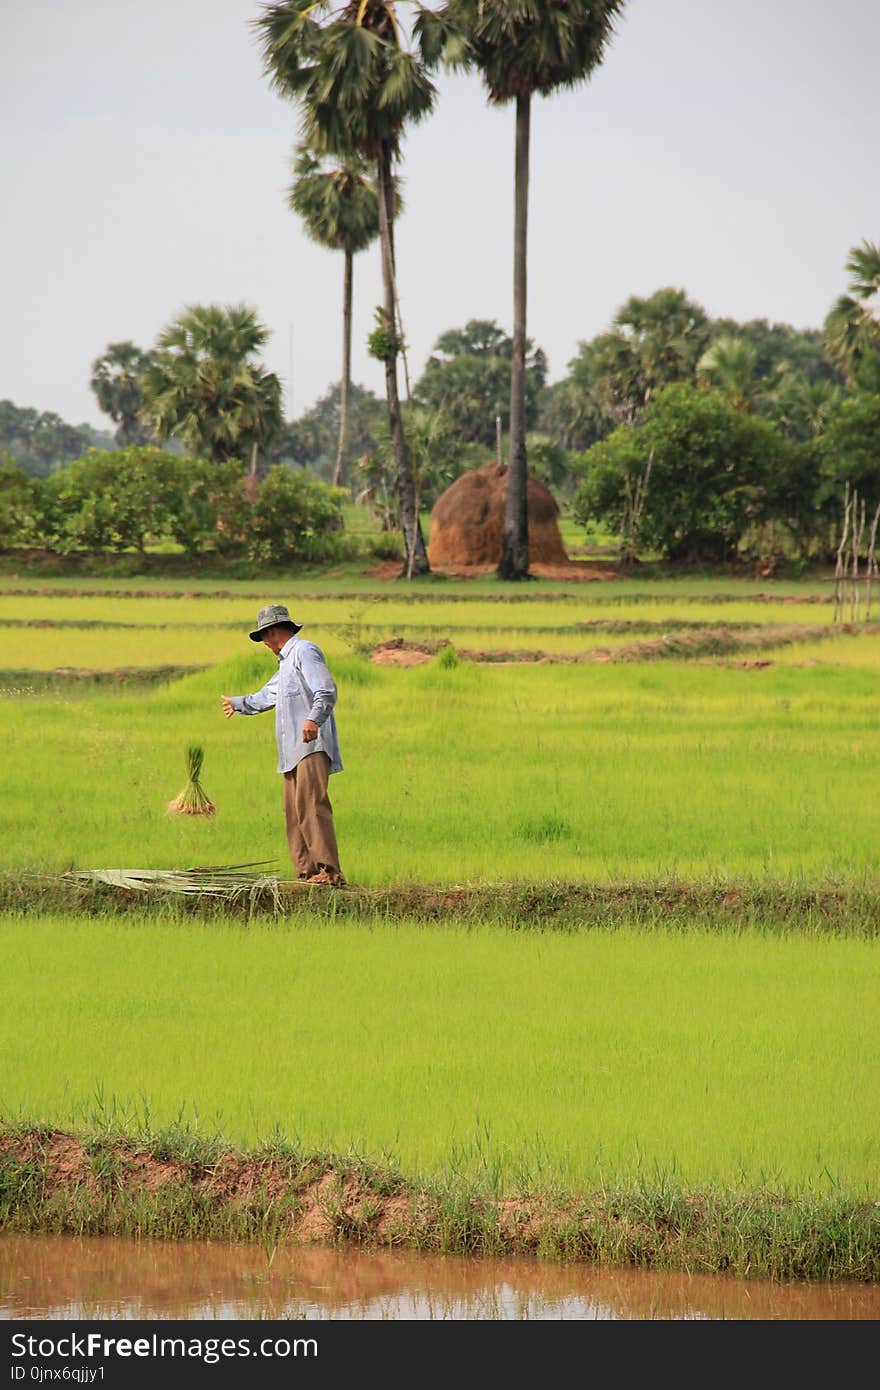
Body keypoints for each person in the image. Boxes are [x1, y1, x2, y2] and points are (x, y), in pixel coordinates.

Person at [221, 603, 345, 886]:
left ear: (273, 631)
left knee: (312, 806)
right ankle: (307, 873)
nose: (265, 644)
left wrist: (313, 719)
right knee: (294, 812)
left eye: (264, 637)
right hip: (291, 752)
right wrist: (238, 704)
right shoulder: (286, 664)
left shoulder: (305, 651)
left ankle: (329, 872)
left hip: (310, 745)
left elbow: (325, 689)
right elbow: (267, 695)